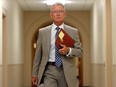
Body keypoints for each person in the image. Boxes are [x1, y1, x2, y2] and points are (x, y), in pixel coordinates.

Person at [32, 2, 83, 87]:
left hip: (66, 69)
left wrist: (68, 50)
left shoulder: (73, 32)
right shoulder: (43, 32)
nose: (58, 14)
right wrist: (34, 73)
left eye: (61, 11)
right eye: (55, 12)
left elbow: (80, 51)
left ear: (65, 14)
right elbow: (38, 54)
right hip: (49, 69)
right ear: (51, 15)